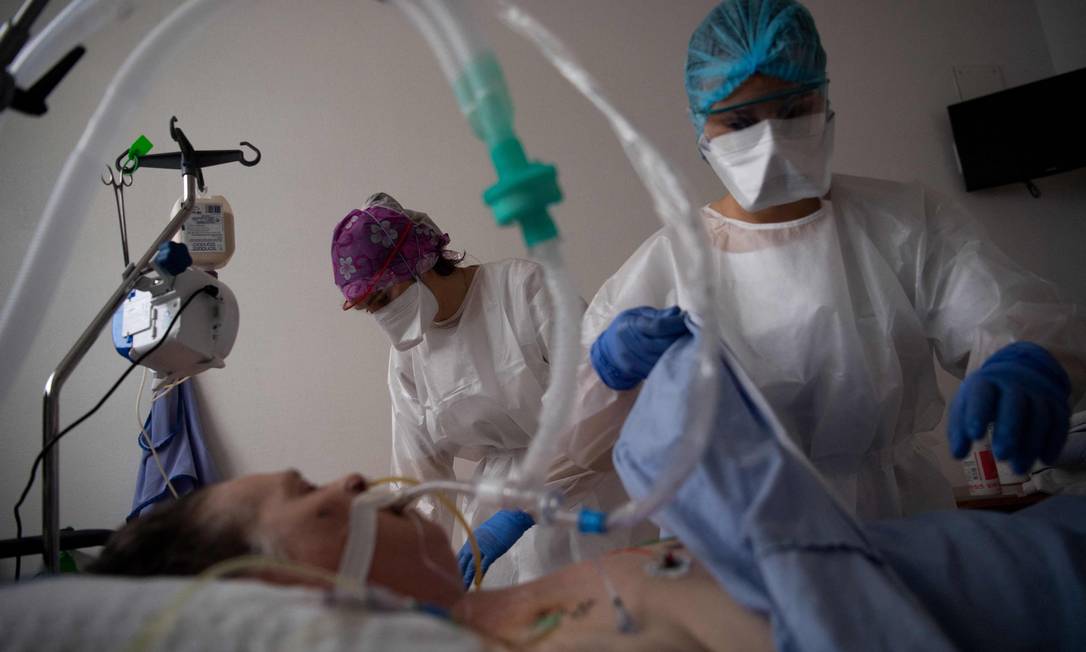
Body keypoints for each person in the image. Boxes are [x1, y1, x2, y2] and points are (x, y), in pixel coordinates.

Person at [576, 0, 1086, 520]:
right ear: (702, 128)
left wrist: (1025, 358)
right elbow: (577, 443)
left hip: (898, 520)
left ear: (824, 101)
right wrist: (608, 376)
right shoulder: (668, 265)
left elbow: (1004, 313)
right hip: (742, 530)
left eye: (794, 111)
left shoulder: (905, 223)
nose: (771, 141)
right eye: (740, 122)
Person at [330, 192, 647, 588]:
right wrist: (414, 564)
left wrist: (526, 506)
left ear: (419, 261)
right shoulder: (407, 358)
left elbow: (597, 406)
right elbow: (420, 476)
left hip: (588, 476)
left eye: (383, 299)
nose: (382, 317)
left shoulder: (524, 288)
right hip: (497, 505)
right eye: (369, 309)